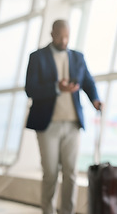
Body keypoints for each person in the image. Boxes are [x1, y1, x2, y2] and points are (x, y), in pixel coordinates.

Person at [25, 19, 102, 214]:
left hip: (72, 124)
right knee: (50, 174)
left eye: (67, 35)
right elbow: (30, 89)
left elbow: (88, 82)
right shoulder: (37, 57)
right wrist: (56, 88)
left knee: (71, 173)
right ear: (52, 34)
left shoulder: (77, 57)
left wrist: (95, 100)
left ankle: (67, 212)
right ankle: (48, 211)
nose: (64, 40)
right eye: (60, 35)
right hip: (47, 124)